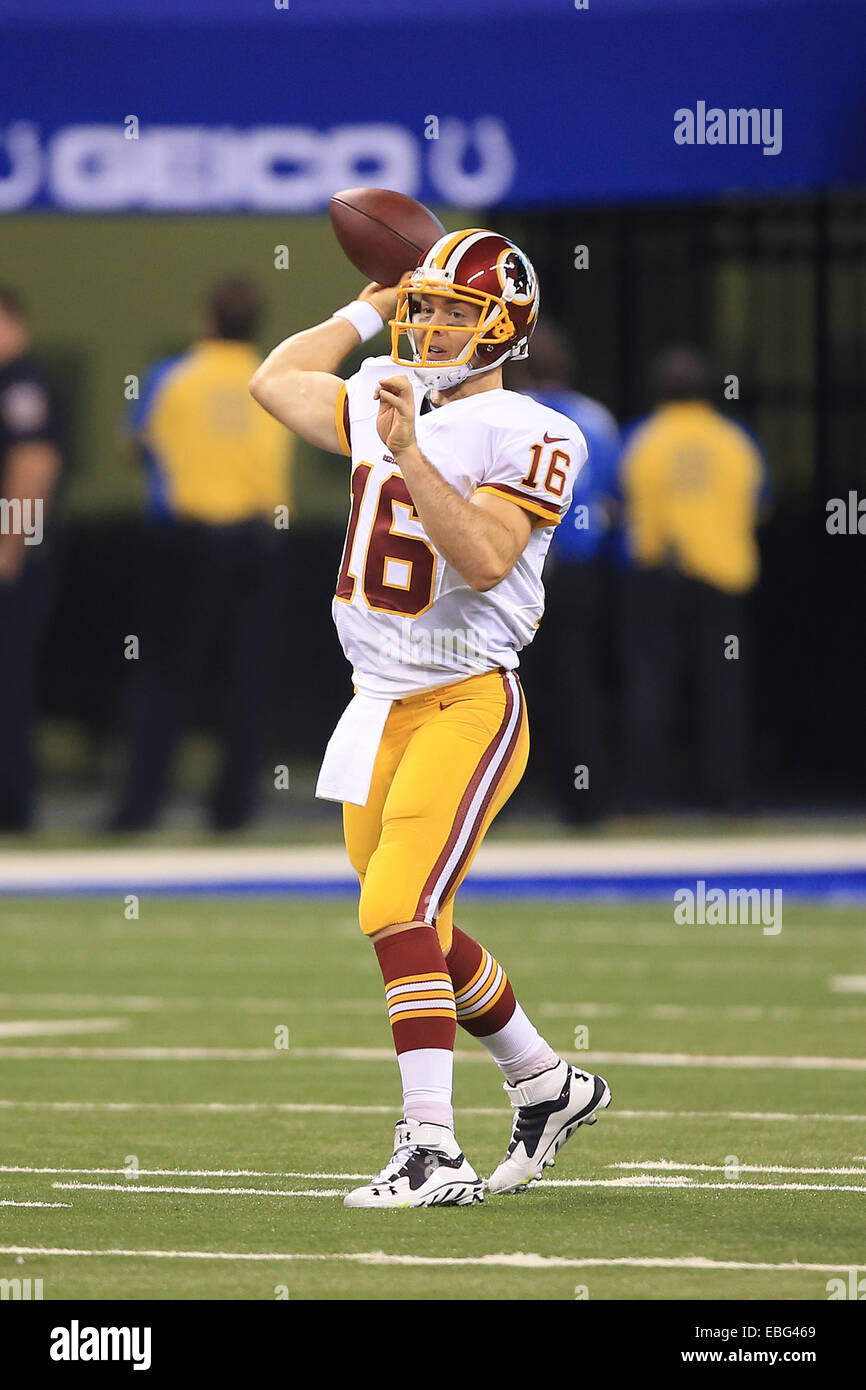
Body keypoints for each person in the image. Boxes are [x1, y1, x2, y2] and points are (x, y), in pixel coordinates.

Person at [251, 229, 611, 1209]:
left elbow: (488, 557)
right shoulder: (385, 390)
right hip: (377, 709)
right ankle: (544, 1081)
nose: (434, 325)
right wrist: (364, 306)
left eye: (458, 311)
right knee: (423, 923)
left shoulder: (533, 429)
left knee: (395, 907)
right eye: (425, 305)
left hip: (467, 701)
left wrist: (408, 450)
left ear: (504, 328)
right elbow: (275, 384)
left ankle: (430, 1150)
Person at [111, 277, 292, 831]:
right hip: (257, 539)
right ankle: (234, 811)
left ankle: (140, 809)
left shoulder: (173, 374)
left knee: (165, 676)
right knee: (245, 681)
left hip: (186, 542)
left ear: (206, 319)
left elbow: (134, 442)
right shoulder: (273, 375)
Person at [620, 346, 769, 811]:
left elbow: (617, 504)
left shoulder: (640, 437)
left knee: (651, 686)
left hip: (655, 576)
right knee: (723, 688)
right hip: (722, 578)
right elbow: (761, 504)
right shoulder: (737, 438)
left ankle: (644, 794)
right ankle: (725, 795)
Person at [510, 323, 621, 823]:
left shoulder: (511, 416)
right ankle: (584, 803)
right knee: (576, 686)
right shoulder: (596, 419)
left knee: (504, 686)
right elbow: (615, 500)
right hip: (578, 569)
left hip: (515, 565)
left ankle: (495, 801)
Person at [0, 286, 62, 831]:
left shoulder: (22, 382)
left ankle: (14, 806)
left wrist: (10, 546)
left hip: (15, 560)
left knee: (10, 681)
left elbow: (33, 466)